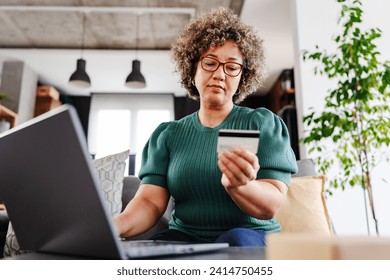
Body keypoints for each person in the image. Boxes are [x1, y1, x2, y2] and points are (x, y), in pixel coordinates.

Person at [114, 6, 298, 246]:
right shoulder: (167, 136)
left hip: (248, 234)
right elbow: (149, 202)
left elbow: (271, 205)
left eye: (232, 67)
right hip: (185, 237)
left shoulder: (262, 124)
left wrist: (238, 186)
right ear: (193, 69)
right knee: (155, 250)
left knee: (235, 240)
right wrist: (114, 225)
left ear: (243, 77)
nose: (220, 75)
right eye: (210, 63)